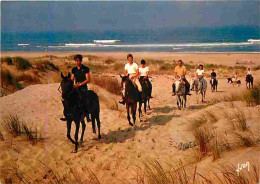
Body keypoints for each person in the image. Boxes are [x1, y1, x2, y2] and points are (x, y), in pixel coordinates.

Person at [60, 54, 91, 122]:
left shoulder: (85, 68)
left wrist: (79, 84)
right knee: (67, 98)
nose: (77, 62)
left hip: (83, 87)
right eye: (76, 60)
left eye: (78, 60)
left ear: (81, 61)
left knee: (85, 98)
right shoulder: (74, 69)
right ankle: (65, 114)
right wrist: (69, 84)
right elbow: (72, 79)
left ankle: (87, 115)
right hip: (75, 86)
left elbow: (88, 79)